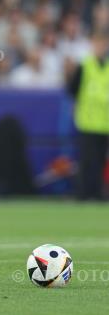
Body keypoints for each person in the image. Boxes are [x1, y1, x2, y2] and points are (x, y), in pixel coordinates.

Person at [67, 32, 109, 200]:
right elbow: (72, 90)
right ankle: (83, 193)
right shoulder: (85, 66)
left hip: (105, 123)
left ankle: (98, 193)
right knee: (86, 160)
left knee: (100, 161)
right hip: (87, 121)